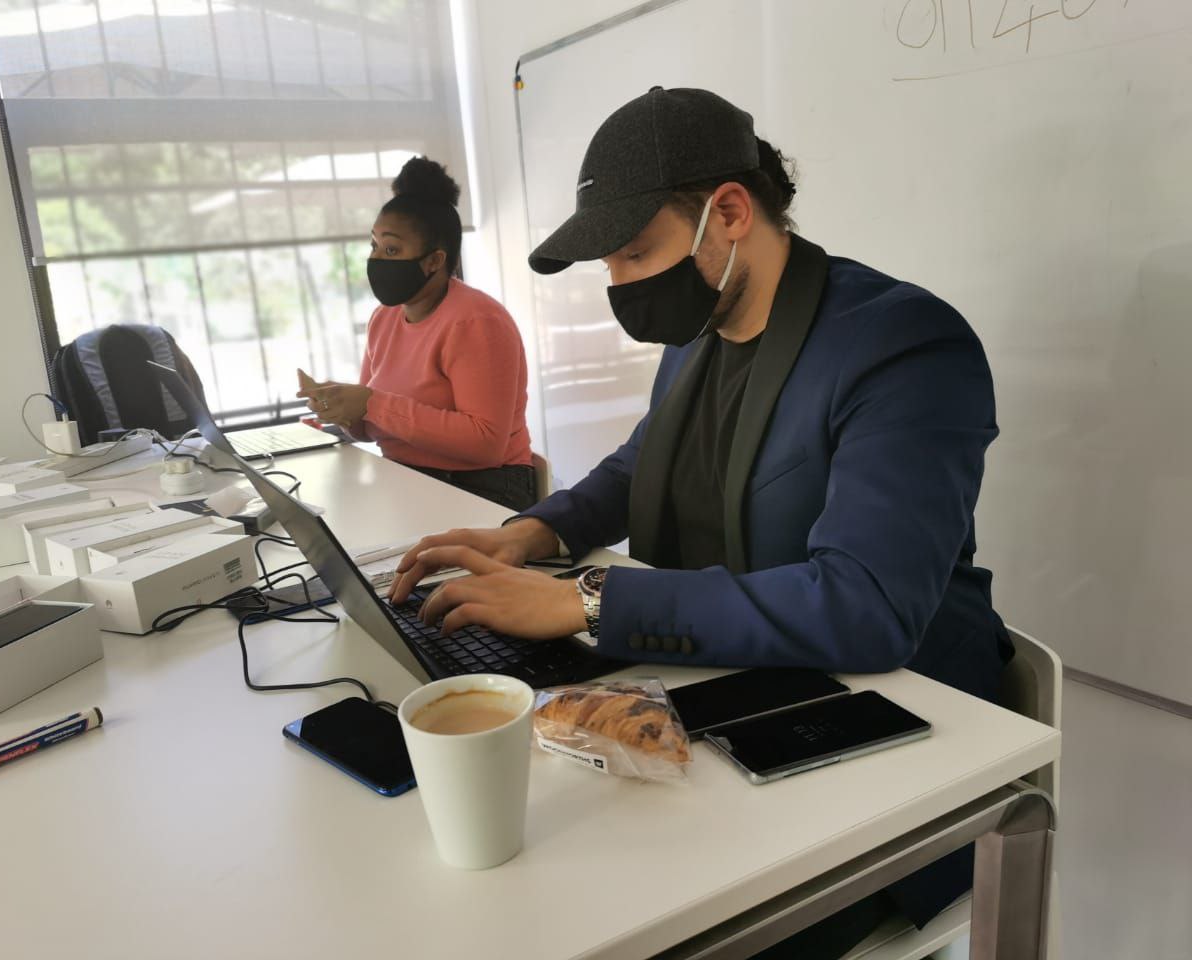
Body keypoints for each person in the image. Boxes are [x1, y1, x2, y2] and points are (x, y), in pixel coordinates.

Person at [387, 88, 1014, 958]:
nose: (620, 285)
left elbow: (867, 604)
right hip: (730, 694)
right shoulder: (702, 327)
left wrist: (587, 600)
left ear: (729, 213)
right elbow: (641, 462)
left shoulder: (905, 347)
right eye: (609, 263)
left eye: (635, 252)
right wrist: (531, 533)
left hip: (889, 740)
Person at [297, 156, 536, 512]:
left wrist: (372, 403)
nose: (377, 259)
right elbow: (370, 427)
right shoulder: (384, 319)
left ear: (434, 261)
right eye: (374, 246)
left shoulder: (476, 321)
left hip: (485, 485)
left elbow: (486, 444)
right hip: (406, 477)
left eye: (392, 249)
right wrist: (342, 409)